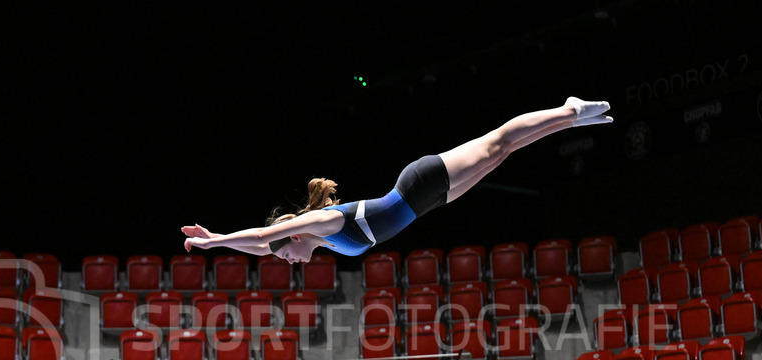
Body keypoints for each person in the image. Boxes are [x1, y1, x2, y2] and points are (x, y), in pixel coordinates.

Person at [182, 97, 612, 262]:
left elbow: (262, 235)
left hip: (417, 185)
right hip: (429, 203)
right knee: (505, 155)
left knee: (497, 142)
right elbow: (259, 246)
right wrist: (219, 238)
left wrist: (212, 241)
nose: (289, 264)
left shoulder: (323, 224)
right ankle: (569, 122)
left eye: (286, 256)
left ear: (293, 238)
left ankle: (569, 111)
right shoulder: (322, 242)